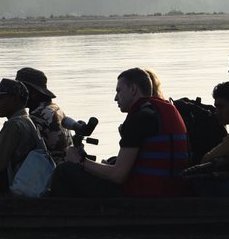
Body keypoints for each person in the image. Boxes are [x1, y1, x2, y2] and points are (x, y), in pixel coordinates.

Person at [47, 66, 190, 198]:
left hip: (146, 197)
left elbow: (118, 176)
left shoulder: (139, 118)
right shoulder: (165, 109)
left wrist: (80, 161)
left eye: (119, 91)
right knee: (109, 163)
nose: (115, 98)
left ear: (133, 89)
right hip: (173, 189)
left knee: (64, 171)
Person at [15, 66, 70, 158]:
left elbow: (21, 152)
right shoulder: (55, 108)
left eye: (21, 90)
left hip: (51, 169)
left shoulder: (37, 116)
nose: (18, 94)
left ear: (33, 92)